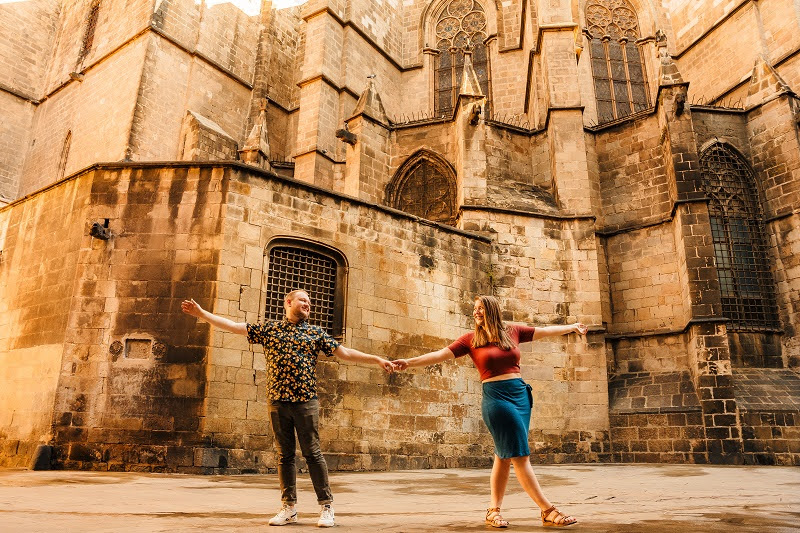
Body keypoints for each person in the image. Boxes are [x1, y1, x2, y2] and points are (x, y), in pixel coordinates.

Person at [181, 290, 395, 528]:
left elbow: (345, 353)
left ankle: (326, 506)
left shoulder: (315, 333)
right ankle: (289, 508)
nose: (308, 304)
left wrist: (377, 359)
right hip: (278, 401)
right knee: (285, 456)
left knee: (313, 454)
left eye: (309, 302)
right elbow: (233, 326)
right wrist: (201, 313)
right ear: (288, 302)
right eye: (303, 300)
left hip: (306, 401)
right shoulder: (270, 329)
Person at [394, 295, 586, 528]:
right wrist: (409, 362)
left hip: (520, 396)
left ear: (492, 310)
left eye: (481, 308)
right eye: (474, 309)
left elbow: (544, 331)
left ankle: (493, 511)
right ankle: (548, 510)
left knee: (503, 456)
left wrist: (572, 327)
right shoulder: (470, 340)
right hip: (497, 399)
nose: (476, 312)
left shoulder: (512, 331)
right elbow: (439, 355)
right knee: (520, 455)